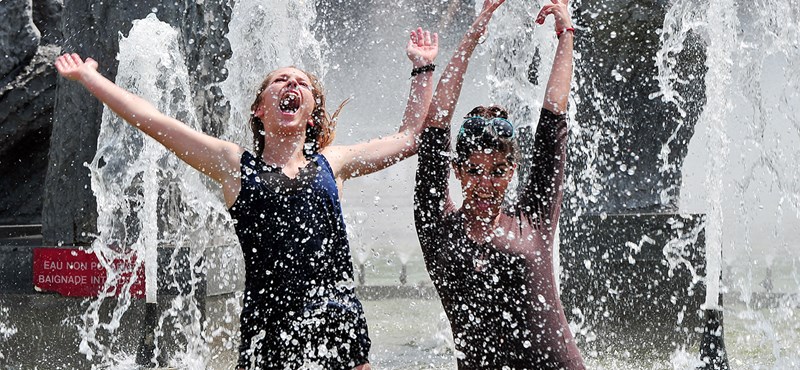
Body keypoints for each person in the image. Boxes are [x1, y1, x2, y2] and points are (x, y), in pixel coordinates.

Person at [55, 27, 439, 370]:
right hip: (268, 330)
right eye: (280, 81)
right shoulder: (233, 165)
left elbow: (408, 139)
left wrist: (422, 69)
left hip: (338, 323)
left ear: (311, 114)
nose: (291, 85)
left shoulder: (332, 164)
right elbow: (154, 122)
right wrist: (91, 78)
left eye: (301, 83)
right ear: (259, 108)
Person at [414, 0, 585, 368]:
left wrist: (565, 33)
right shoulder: (437, 228)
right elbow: (436, 129)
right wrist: (473, 36)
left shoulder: (533, 218)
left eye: (497, 170)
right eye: (474, 170)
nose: (486, 182)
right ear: (457, 171)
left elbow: (554, 118)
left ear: (512, 172)